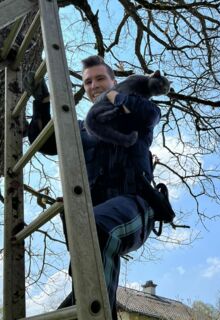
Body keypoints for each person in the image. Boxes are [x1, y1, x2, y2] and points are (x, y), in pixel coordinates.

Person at [26, 55, 161, 319]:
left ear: (115, 81)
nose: (93, 85)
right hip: (88, 216)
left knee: (97, 228)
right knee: (87, 280)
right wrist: (41, 103)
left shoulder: (135, 109)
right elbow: (42, 142)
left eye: (100, 78)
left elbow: (147, 113)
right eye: (88, 81)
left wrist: (116, 95)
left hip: (134, 205)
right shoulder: (80, 130)